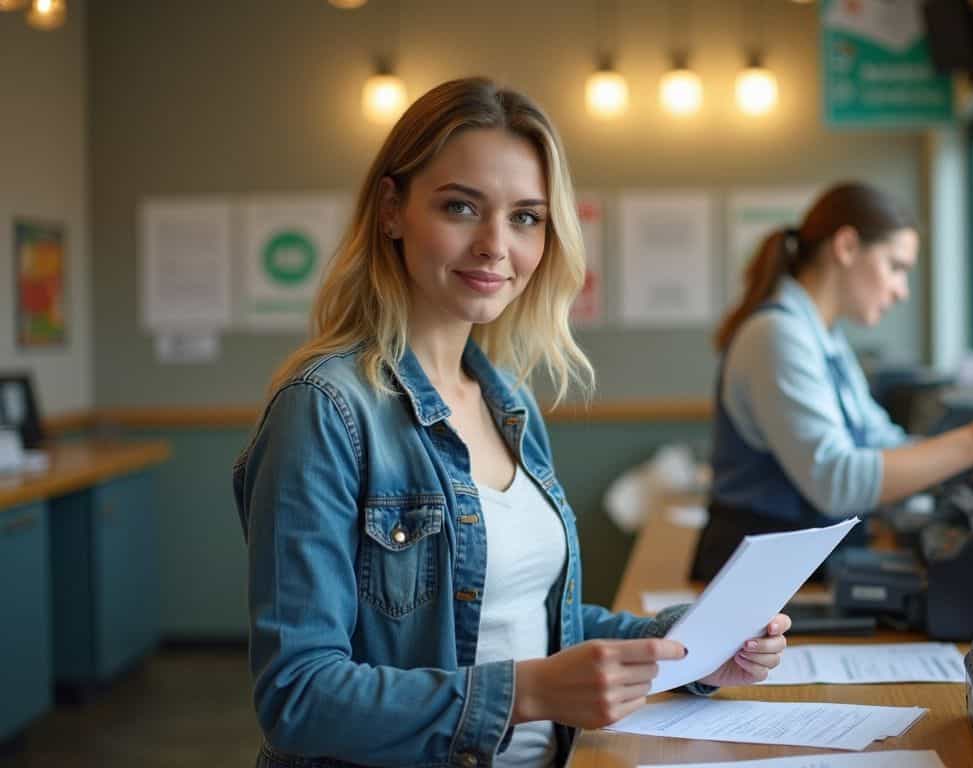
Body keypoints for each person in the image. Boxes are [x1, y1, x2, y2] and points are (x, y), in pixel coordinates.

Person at [233, 77, 790, 768]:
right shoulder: (325, 409)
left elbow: (533, 621)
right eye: (462, 206)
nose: (496, 244)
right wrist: (525, 694)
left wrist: (697, 645)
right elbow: (298, 698)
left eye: (526, 217)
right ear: (391, 210)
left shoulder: (507, 404)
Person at [690, 182, 973, 581]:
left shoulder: (823, 336)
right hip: (755, 578)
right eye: (895, 267)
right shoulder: (778, 334)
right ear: (847, 247)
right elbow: (836, 481)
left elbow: (885, 443)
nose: (901, 291)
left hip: (792, 569)